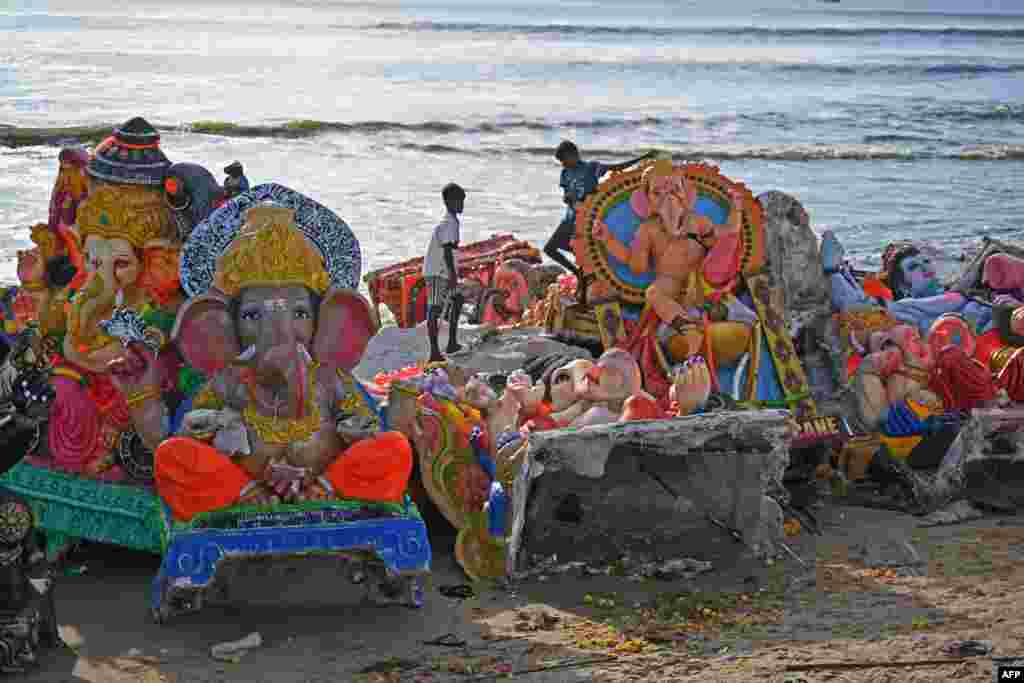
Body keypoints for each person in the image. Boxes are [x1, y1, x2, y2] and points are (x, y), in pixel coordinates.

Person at [544, 141, 654, 303]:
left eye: (565, 159)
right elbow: (566, 195)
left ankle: (584, 289)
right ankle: (577, 273)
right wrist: (568, 199)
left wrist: (644, 158)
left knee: (587, 259)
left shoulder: (592, 168)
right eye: (561, 162)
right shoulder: (565, 173)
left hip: (588, 220)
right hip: (570, 218)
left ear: (574, 154)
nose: (564, 164)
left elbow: (618, 167)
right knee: (550, 248)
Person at [423, 183, 466, 363]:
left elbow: (451, 253)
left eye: (463, 201)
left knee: (457, 300)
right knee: (435, 307)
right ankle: (433, 352)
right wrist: (453, 276)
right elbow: (447, 252)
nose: (462, 204)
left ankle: (452, 343)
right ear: (448, 201)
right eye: (458, 201)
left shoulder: (453, 221)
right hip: (437, 272)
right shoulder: (448, 223)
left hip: (445, 271)